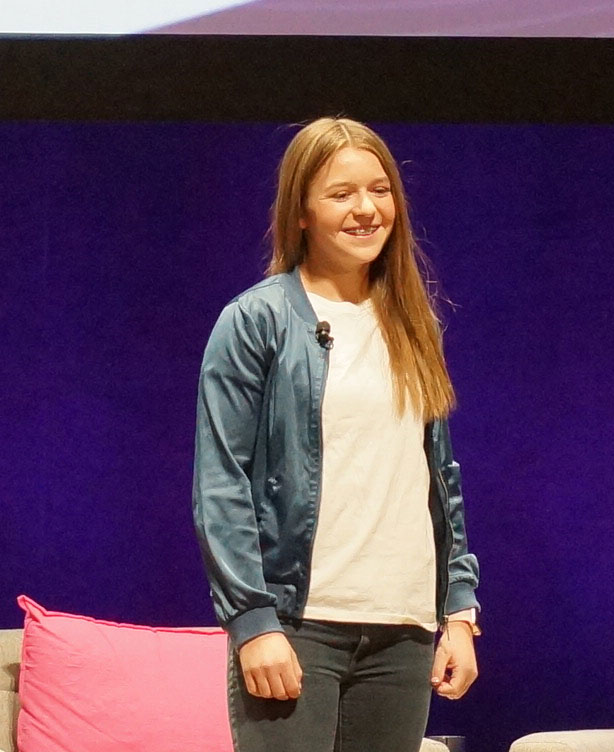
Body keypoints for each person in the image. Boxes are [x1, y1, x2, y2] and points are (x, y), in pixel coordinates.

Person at [193, 117, 481, 752]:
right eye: (341, 194)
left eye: (379, 190)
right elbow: (222, 484)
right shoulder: (256, 320)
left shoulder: (413, 324)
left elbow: (439, 481)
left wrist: (458, 610)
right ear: (300, 212)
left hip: (402, 628)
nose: (366, 210)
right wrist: (252, 621)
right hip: (299, 626)